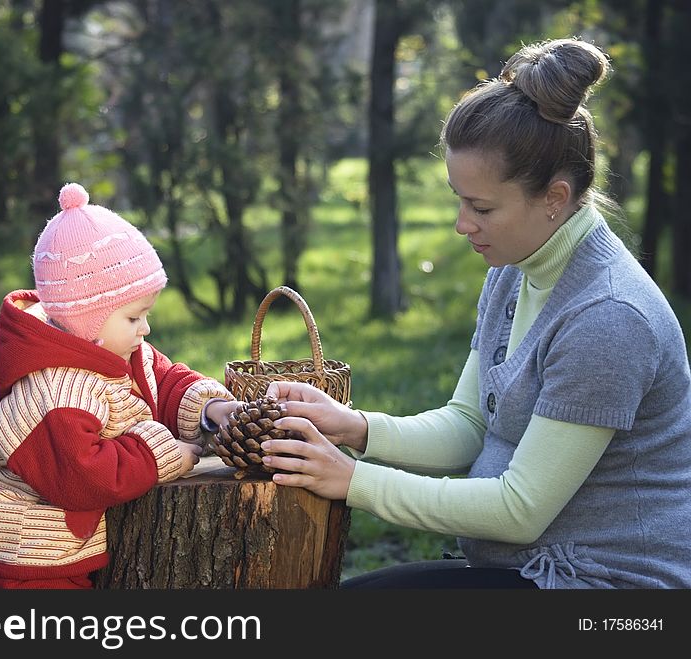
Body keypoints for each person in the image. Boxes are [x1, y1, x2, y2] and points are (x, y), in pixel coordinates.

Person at [261, 37, 691, 589]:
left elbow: (520, 509)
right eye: (458, 199)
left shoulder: (608, 317)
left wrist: (353, 480)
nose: (462, 224)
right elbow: (469, 425)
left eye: (482, 207)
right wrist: (357, 427)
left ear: (555, 198)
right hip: (527, 571)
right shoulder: (515, 270)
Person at [0, 182, 239, 589]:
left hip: (67, 543)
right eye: (133, 317)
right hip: (28, 553)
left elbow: (160, 379)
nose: (146, 327)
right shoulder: (54, 393)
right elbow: (84, 475)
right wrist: (157, 455)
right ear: (88, 319)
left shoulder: (111, 350)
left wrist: (209, 409)